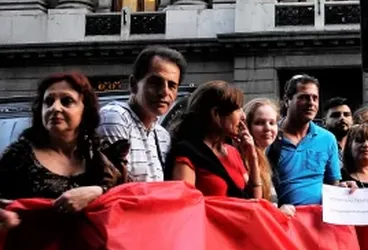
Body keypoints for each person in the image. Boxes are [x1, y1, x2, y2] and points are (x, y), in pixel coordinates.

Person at [0, 73, 128, 230]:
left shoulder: (100, 154)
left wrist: (96, 191)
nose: (55, 107)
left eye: (67, 101)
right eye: (48, 102)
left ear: (85, 109)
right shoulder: (19, 155)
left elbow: (126, 195)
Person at [96, 45, 186, 183]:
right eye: (155, 83)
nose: (165, 92)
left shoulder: (162, 135)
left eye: (172, 85)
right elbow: (116, 184)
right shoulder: (115, 117)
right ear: (133, 84)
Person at [167, 81, 263, 199]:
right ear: (216, 114)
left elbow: (254, 200)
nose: (243, 116)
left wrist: (252, 157)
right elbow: (186, 205)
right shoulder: (186, 153)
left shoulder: (233, 152)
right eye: (238, 109)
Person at [268, 75, 341, 206]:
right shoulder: (270, 135)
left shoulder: (328, 139)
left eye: (315, 98)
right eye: (304, 97)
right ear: (287, 101)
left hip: (319, 220)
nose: (311, 103)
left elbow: (333, 184)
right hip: (282, 219)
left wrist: (346, 188)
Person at [243, 98, 282, 205]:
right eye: (259, 123)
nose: (267, 128)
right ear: (247, 126)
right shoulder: (244, 160)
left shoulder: (268, 155)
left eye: (272, 123)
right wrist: (280, 212)